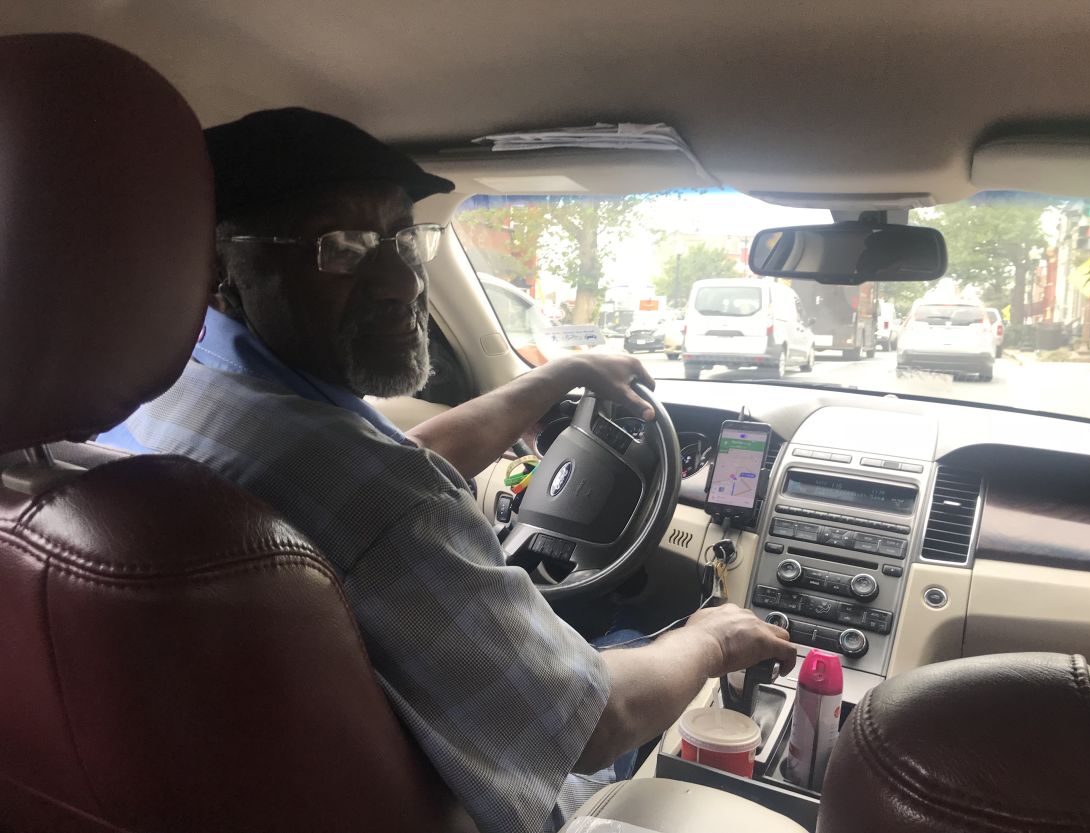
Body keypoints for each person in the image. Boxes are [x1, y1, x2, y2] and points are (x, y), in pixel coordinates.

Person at [99, 108, 795, 833]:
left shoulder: (159, 393)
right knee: (635, 653)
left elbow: (396, 471)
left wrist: (558, 376)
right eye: (340, 247)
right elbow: (599, 717)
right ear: (221, 270)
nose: (401, 282)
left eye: (404, 237)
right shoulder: (385, 505)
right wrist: (715, 637)